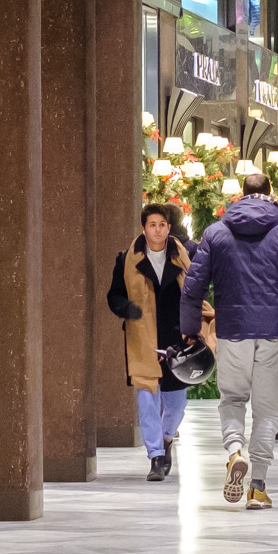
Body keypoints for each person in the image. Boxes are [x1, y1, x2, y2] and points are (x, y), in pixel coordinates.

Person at [180, 172, 278, 508]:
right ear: (270, 192)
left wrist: (190, 330)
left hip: (232, 330)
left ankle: (235, 451)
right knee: (267, 410)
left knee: (232, 399)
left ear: (241, 194)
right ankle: (258, 487)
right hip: (274, 331)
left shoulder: (216, 232)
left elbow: (193, 287)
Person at [106, 202, 194, 481]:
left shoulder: (183, 257)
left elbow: (194, 293)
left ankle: (167, 439)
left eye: (162, 225)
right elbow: (114, 294)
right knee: (146, 399)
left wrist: (193, 328)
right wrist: (125, 308)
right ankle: (155, 455)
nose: (157, 230)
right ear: (143, 228)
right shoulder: (126, 259)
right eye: (152, 225)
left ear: (169, 228)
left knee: (176, 403)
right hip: (142, 336)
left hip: (176, 337)